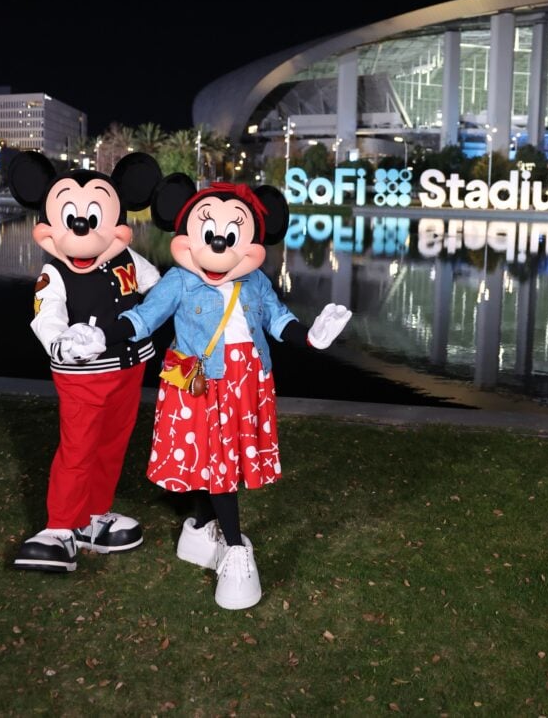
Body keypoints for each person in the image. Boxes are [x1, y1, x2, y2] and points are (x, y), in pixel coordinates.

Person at [76, 175, 351, 608]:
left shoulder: (256, 281)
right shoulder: (181, 280)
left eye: (231, 235)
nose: (219, 245)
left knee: (214, 462)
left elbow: (278, 321)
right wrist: (102, 337)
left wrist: (312, 336)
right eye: (209, 234)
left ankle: (201, 530)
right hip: (202, 385)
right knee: (218, 465)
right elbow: (144, 317)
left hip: (249, 384)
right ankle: (236, 553)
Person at [7, 151, 162, 572]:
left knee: (112, 445)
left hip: (129, 368)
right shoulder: (54, 273)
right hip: (84, 376)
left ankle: (92, 517)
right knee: (78, 448)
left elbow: (162, 289)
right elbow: (46, 314)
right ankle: (59, 527)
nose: (82, 226)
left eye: (94, 215)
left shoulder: (130, 260)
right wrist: (60, 343)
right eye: (71, 217)